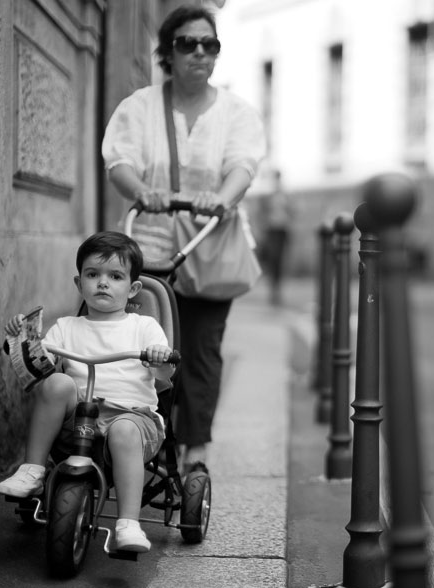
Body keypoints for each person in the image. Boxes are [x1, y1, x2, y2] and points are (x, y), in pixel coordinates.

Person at [101, 5, 266, 476]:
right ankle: (145, 436)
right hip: (150, 250)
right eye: (187, 43)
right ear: (168, 52)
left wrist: (223, 197)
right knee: (145, 348)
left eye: (208, 44)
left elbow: (243, 165)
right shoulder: (139, 107)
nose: (199, 52)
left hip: (209, 248)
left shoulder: (237, 113)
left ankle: (194, 449)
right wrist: (141, 192)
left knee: (202, 351)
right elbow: (120, 164)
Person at [0, 231, 176, 553]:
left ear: (133, 288)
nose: (102, 283)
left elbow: (165, 375)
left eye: (115, 276)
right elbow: (41, 367)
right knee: (58, 382)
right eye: (93, 275)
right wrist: (23, 341)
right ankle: (33, 469)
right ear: (79, 284)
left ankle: (128, 523)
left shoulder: (143, 327)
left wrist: (160, 356)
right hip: (78, 421)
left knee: (123, 430)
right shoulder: (66, 327)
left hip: (133, 419)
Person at [259, 169, 295, 306]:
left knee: (280, 260)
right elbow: (263, 214)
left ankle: (277, 290)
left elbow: (292, 212)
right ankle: (273, 290)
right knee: (273, 260)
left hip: (282, 230)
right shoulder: (270, 196)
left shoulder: (285, 195)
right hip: (272, 230)